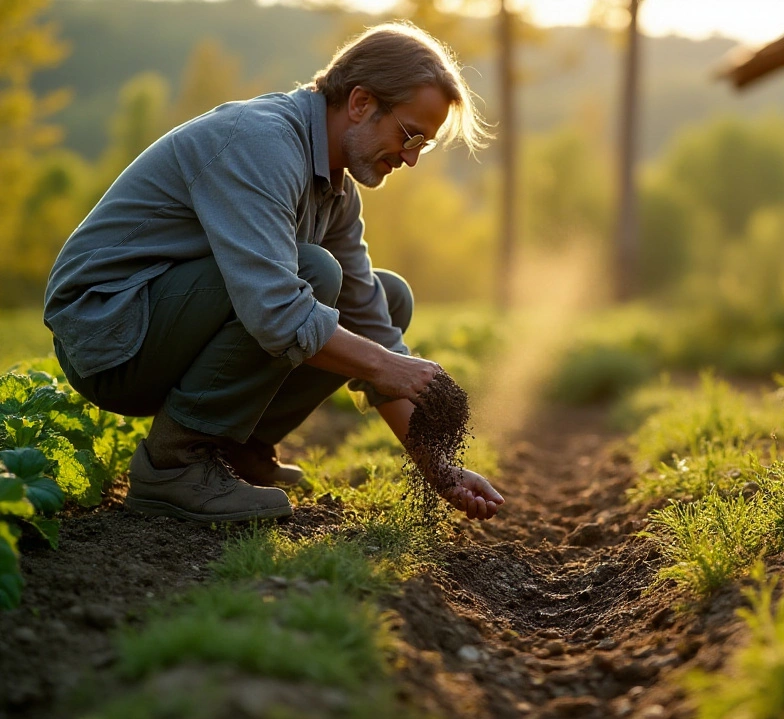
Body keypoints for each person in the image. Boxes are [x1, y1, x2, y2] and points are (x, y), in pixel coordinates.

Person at [42, 22, 504, 523]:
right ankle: (175, 464)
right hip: (110, 335)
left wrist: (441, 468)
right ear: (361, 103)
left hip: (161, 325)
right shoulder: (261, 142)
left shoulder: (337, 191)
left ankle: (237, 450)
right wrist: (387, 367)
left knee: (386, 298)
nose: (412, 158)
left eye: (424, 145)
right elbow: (277, 312)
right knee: (314, 275)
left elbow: (372, 323)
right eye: (410, 135)